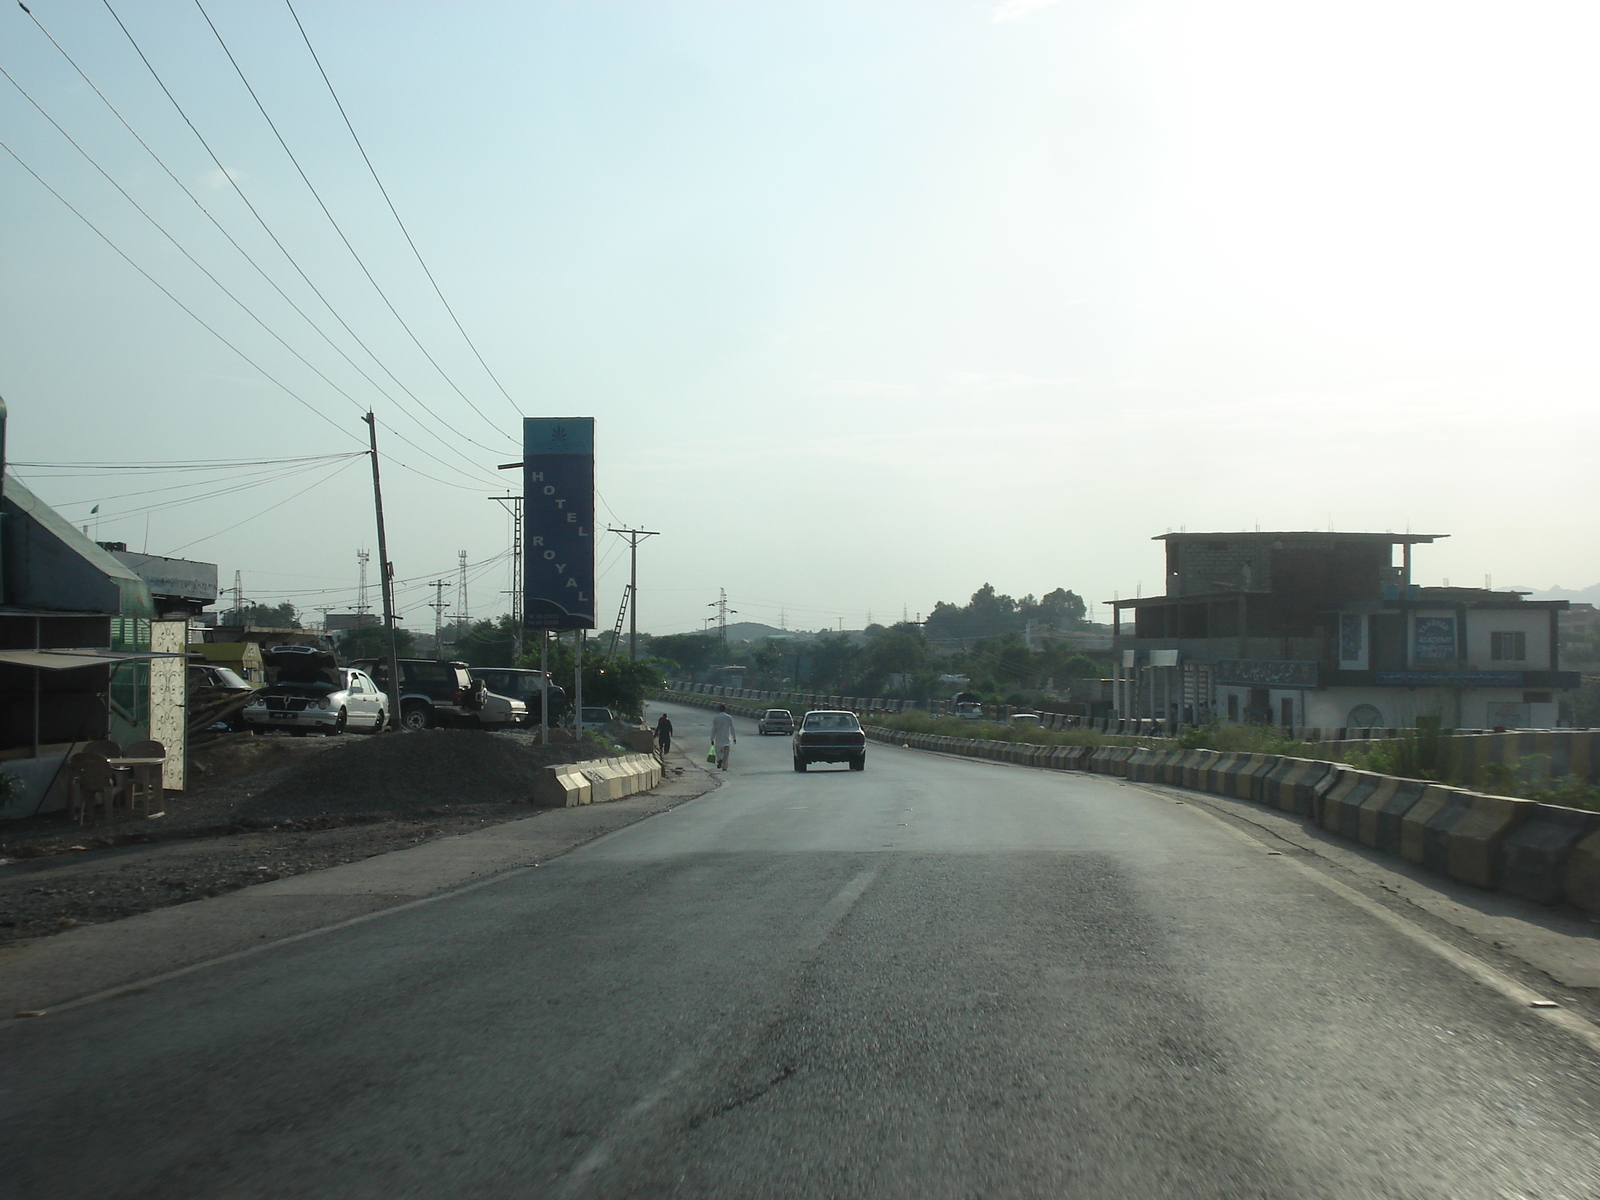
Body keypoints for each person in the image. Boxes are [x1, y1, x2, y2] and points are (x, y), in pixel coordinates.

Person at [710, 704, 737, 771]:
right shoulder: (729, 717)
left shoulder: (716, 718)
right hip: (726, 738)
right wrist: (734, 738)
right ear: (725, 710)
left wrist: (712, 739)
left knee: (718, 751)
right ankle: (724, 767)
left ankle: (719, 760)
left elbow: (714, 729)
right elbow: (732, 728)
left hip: (718, 738)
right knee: (726, 754)